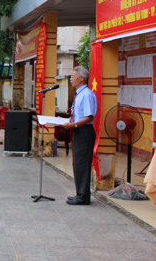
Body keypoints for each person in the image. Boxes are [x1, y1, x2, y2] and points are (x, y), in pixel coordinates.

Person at [59, 66, 97, 206]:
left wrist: (73, 125)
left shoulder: (86, 94)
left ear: (82, 78)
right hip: (78, 130)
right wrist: (70, 121)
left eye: (73, 76)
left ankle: (83, 197)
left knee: (83, 164)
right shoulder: (79, 94)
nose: (70, 79)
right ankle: (79, 194)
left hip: (84, 132)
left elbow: (89, 117)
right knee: (77, 164)